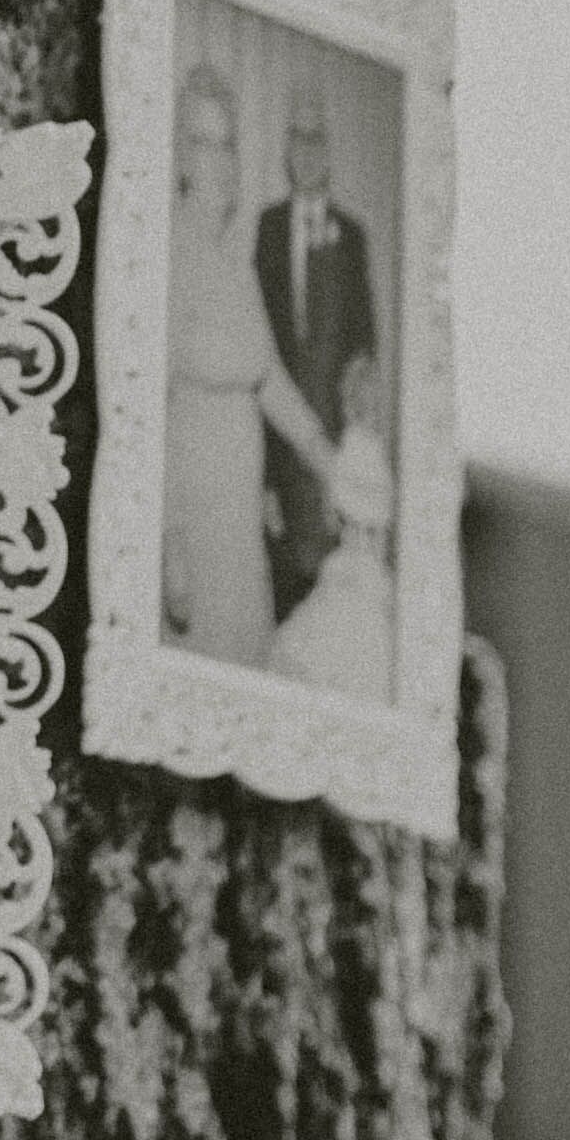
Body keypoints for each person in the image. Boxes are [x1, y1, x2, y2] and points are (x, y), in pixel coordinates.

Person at [160, 62, 342, 670]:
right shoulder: (166, 254)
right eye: (203, 143)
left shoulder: (235, 264)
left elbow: (271, 383)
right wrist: (166, 547)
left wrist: (330, 459)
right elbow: (144, 410)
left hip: (240, 522)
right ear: (180, 156)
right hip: (192, 521)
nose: (220, 160)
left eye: (228, 142)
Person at [252, 79, 381, 628]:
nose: (306, 150)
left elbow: (364, 356)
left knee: (332, 609)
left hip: (332, 463)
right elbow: (258, 352)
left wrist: (354, 463)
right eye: (297, 137)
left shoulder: (351, 237)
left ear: (331, 150)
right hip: (279, 457)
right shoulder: (269, 226)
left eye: (317, 139)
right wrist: (261, 473)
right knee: (283, 603)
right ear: (285, 148)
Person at [271, 360, 397, 698]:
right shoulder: (362, 448)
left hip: (366, 561)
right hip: (359, 558)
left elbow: (345, 504)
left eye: (375, 404)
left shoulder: (370, 450)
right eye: (364, 403)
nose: (370, 412)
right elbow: (349, 502)